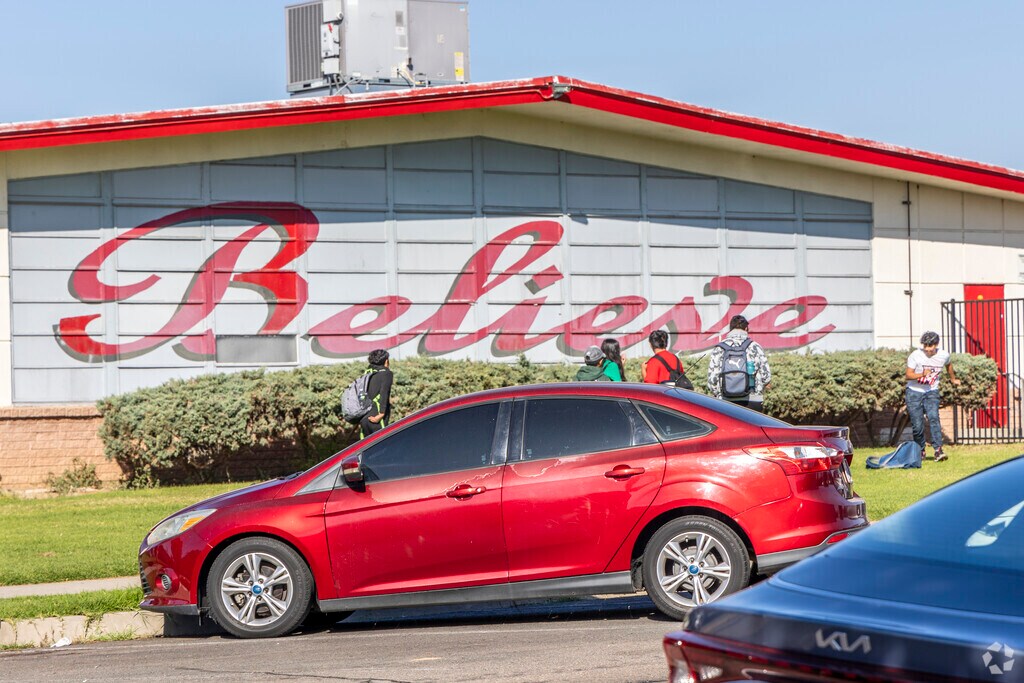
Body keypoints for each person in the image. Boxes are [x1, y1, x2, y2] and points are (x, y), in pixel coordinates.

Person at [905, 331, 960, 462]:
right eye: (925, 346)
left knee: (934, 417)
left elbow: (948, 365)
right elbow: (908, 375)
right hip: (914, 392)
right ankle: (920, 450)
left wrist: (953, 379)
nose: (928, 349)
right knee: (917, 424)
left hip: (931, 391)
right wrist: (922, 374)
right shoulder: (915, 356)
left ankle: (938, 450)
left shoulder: (943, 355)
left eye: (930, 346)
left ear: (936, 344)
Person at [706, 315, 771, 412]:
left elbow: (712, 381)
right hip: (752, 401)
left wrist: (719, 394)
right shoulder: (755, 347)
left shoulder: (719, 348)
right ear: (746, 328)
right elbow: (766, 377)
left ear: (730, 329)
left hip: (725, 402)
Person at [359, 348, 394, 439]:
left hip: (364, 417)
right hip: (376, 418)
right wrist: (381, 414)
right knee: (382, 446)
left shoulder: (367, 373)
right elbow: (384, 393)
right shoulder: (386, 374)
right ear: (386, 361)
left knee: (367, 449)